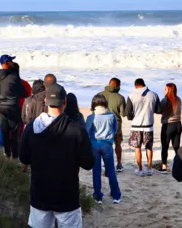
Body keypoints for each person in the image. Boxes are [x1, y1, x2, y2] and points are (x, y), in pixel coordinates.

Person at [20, 84, 95, 228]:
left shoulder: (31, 128)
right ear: (65, 102)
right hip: (67, 195)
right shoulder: (77, 130)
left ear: (46, 101)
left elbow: (24, 158)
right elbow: (88, 163)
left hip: (40, 193)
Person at [85, 94, 122, 204]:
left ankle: (98, 196)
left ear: (94, 104)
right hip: (107, 145)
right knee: (111, 171)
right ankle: (116, 195)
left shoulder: (91, 117)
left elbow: (86, 132)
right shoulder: (111, 116)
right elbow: (115, 130)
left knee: (96, 171)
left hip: (94, 145)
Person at [126, 78, 161, 177]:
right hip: (148, 125)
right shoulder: (154, 94)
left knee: (137, 147)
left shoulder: (131, 95)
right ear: (144, 84)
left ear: (135, 86)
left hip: (136, 126)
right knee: (149, 147)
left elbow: (127, 112)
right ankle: (150, 168)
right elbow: (158, 110)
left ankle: (140, 169)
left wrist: (132, 117)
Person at [0, 55, 26, 159]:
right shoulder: (14, 77)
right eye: (11, 61)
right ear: (7, 63)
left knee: (5, 131)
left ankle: (7, 154)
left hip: (1, 108)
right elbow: (23, 93)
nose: (12, 62)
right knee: (14, 134)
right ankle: (15, 156)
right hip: (12, 108)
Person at [99, 77, 126, 172]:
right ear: (118, 86)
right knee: (118, 144)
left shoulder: (99, 95)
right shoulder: (120, 98)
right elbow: (123, 114)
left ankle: (106, 164)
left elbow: (93, 110)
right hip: (116, 124)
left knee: (106, 144)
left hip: (102, 124)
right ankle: (119, 164)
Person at [159, 83, 182, 173]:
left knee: (165, 146)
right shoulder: (179, 99)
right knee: (176, 146)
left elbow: (159, 110)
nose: (164, 91)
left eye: (165, 89)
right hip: (178, 125)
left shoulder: (165, 100)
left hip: (168, 125)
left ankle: (164, 166)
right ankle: (180, 164)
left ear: (169, 90)